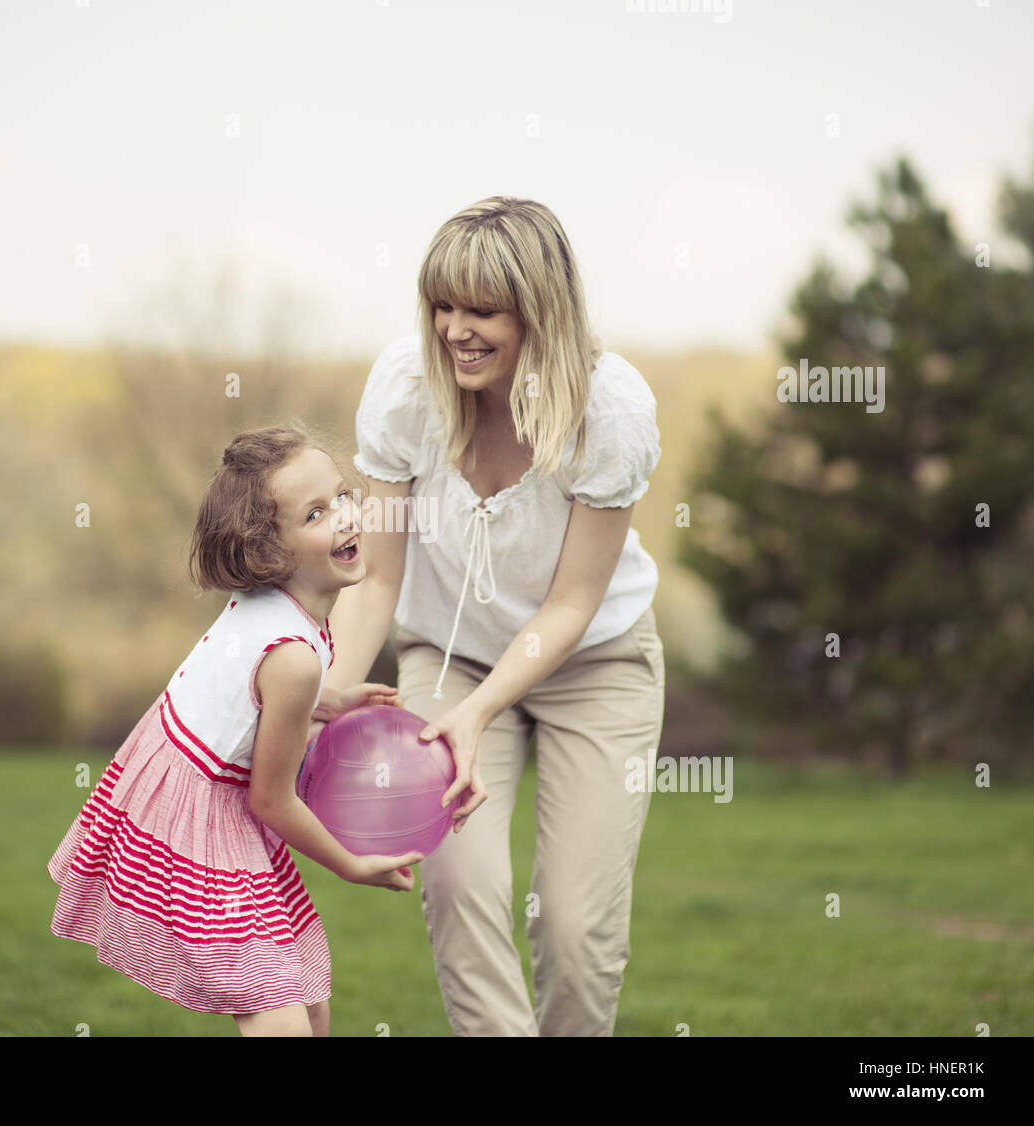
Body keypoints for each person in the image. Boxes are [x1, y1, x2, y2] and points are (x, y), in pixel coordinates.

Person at [315, 196, 667, 1036]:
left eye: (482, 310)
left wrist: (480, 716)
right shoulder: (406, 391)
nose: (454, 330)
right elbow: (377, 576)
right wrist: (332, 683)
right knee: (461, 891)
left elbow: (575, 600)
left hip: (596, 664)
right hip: (450, 657)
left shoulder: (608, 411)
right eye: (442, 304)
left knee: (576, 928)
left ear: (540, 310)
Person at [46, 424, 423, 1037]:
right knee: (281, 1018)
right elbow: (272, 799)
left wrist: (325, 703)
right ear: (270, 551)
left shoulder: (278, 612)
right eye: (317, 513)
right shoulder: (294, 656)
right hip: (199, 829)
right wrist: (351, 863)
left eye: (344, 496)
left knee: (310, 1003)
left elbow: (239, 694)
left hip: (202, 795)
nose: (348, 517)